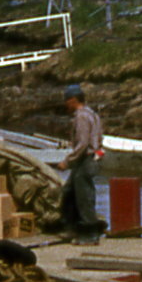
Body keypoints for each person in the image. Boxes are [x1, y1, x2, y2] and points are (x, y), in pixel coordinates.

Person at [59, 83, 106, 244]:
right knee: (69, 192)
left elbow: (83, 144)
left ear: (73, 100)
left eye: (67, 101)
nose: (65, 104)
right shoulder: (92, 114)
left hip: (86, 160)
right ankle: (71, 228)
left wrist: (68, 161)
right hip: (91, 158)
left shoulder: (81, 117)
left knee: (84, 197)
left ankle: (90, 234)